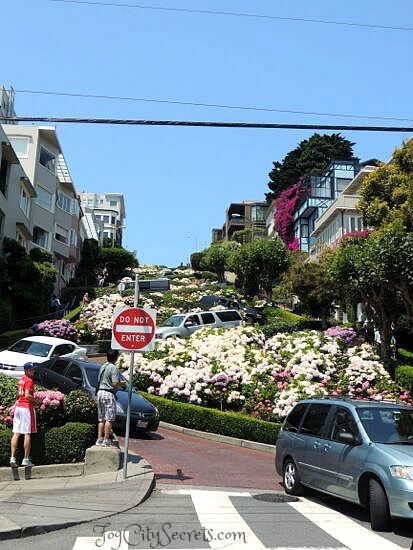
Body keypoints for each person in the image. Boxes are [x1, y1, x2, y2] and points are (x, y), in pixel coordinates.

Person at [10, 362, 41, 467]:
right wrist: (37, 401)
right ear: (26, 370)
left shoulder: (21, 379)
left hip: (18, 407)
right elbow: (27, 395)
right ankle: (26, 459)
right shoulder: (29, 380)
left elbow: (20, 395)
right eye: (31, 370)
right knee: (27, 433)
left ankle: (13, 458)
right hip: (26, 408)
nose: (33, 371)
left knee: (16, 433)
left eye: (33, 370)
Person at [96, 350, 126, 447]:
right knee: (109, 419)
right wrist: (123, 383)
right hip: (108, 393)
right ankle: (106, 440)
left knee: (101, 419)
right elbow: (114, 383)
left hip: (100, 392)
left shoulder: (103, 366)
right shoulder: (113, 368)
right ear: (116, 357)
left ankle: (99, 439)